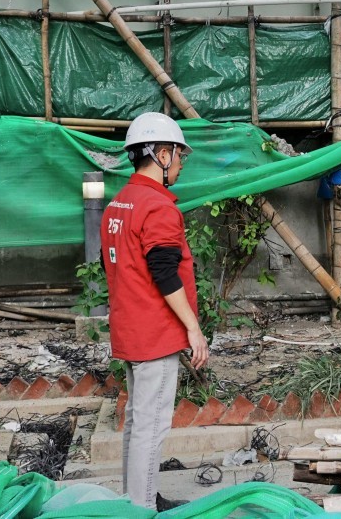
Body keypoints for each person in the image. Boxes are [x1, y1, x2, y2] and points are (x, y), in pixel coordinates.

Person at [101, 112, 209, 510]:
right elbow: (164, 274)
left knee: (136, 421)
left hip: (129, 330)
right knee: (151, 425)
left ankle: (134, 499)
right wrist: (193, 330)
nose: (181, 164)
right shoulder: (159, 208)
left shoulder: (118, 205)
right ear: (162, 155)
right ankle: (142, 509)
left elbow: (110, 265)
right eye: (179, 156)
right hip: (155, 334)